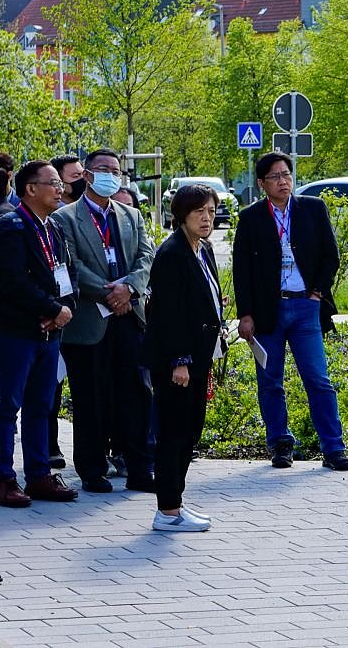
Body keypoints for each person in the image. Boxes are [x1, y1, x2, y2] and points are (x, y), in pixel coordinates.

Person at [233, 152, 348, 472]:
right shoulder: (251, 218)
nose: (283, 181)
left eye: (286, 174)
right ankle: (280, 444)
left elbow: (331, 256)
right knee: (270, 380)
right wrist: (246, 314)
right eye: (275, 177)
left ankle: (334, 448)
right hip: (267, 310)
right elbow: (241, 270)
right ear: (262, 183)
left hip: (305, 307)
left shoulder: (312, 208)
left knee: (318, 378)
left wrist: (317, 293)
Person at [0, 161, 80, 508]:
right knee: (7, 407)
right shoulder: (11, 228)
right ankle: (4, 479)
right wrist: (51, 309)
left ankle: (39, 474)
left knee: (41, 406)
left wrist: (65, 309)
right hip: (14, 333)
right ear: (30, 189)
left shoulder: (54, 227)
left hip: (49, 334)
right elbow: (11, 282)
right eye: (53, 183)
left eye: (60, 184)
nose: (60, 189)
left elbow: (69, 274)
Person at [51, 148, 155, 494]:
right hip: (90, 319)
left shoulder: (130, 215)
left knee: (136, 395)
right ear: (87, 175)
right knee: (91, 398)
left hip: (130, 317)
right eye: (103, 169)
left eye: (116, 170)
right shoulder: (64, 218)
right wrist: (109, 293)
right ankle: (92, 470)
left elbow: (145, 256)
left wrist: (129, 288)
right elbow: (71, 265)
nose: (111, 175)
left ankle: (139, 468)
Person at [144, 185, 225, 531]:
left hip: (200, 356)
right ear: (181, 215)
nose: (206, 218)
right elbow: (167, 313)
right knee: (174, 434)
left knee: (190, 431)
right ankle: (167, 511)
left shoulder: (202, 248)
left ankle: (175, 502)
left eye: (211, 211)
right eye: (198, 212)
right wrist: (179, 360)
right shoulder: (172, 254)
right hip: (179, 362)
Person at [47, 154, 86, 469]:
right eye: (74, 177)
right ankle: (48, 445)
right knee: (50, 388)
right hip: (52, 317)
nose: (82, 180)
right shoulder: (57, 219)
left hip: (81, 315)